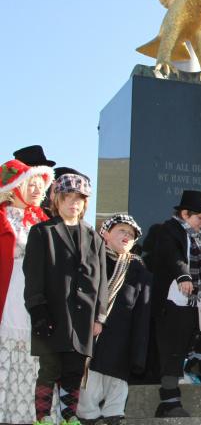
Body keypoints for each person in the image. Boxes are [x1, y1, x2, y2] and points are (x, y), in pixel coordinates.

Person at [24, 173, 108, 425]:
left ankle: (69, 416)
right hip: (52, 313)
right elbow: (33, 274)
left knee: (73, 370)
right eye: (68, 198)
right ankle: (43, 417)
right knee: (50, 367)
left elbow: (101, 280)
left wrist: (100, 316)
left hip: (83, 317)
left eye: (79, 199)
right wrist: (38, 310)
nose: (73, 203)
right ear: (57, 201)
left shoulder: (94, 237)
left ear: (85, 204)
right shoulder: (43, 232)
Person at [77, 214, 151, 425]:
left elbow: (142, 314)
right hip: (93, 335)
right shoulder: (91, 260)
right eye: (121, 231)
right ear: (106, 233)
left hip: (122, 339)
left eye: (131, 234)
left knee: (116, 381)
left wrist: (139, 348)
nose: (126, 236)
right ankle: (88, 416)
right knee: (91, 382)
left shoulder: (139, 270)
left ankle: (113, 414)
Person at [150, 190, 201, 417]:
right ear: (185, 213)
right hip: (173, 300)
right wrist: (183, 276)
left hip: (197, 300)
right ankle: (169, 401)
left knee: (192, 340)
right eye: (199, 217)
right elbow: (173, 255)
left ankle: (190, 373)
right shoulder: (169, 230)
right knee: (172, 347)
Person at [0, 160, 54, 425]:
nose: (36, 189)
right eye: (29, 184)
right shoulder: (2, 217)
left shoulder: (44, 221)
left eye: (39, 185)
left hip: (35, 300)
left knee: (32, 357)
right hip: (7, 295)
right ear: (13, 187)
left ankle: (26, 416)